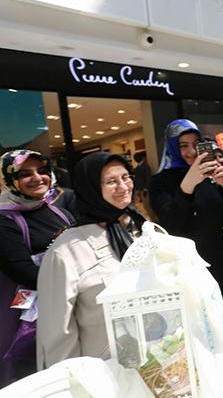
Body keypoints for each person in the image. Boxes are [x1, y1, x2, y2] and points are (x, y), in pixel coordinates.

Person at [37, 152, 145, 369]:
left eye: (126, 177)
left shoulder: (142, 228)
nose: (123, 187)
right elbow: (58, 331)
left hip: (157, 361)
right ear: (91, 188)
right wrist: (74, 380)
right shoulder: (66, 250)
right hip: (104, 371)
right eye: (111, 181)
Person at [149, 120, 223, 330]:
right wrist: (188, 184)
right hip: (194, 267)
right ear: (172, 147)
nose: (191, 151)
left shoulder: (212, 173)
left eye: (196, 144)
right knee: (211, 327)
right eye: (183, 145)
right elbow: (171, 224)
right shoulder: (161, 182)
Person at [0, 150, 74, 386]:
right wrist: (73, 280)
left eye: (42, 170)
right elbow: (20, 269)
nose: (37, 178)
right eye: (25, 173)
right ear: (8, 179)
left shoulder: (59, 211)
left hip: (66, 301)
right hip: (26, 316)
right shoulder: (4, 219)